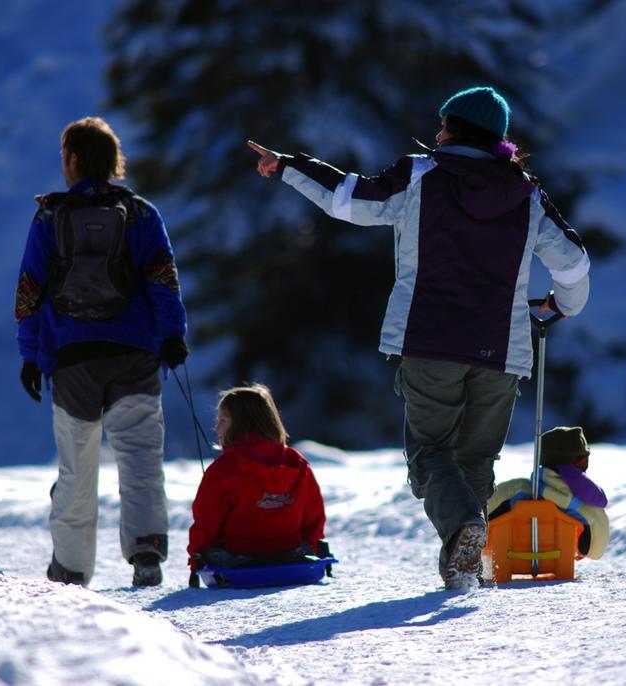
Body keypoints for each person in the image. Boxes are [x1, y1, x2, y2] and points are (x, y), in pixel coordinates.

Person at [247, 86, 590, 589]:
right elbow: (574, 262)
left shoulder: (419, 176)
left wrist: (287, 167)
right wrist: (560, 305)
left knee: (431, 456)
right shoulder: (526, 194)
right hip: (503, 349)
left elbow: (348, 200)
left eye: (443, 124)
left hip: (429, 340)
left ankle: (465, 532)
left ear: (457, 130)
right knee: (474, 459)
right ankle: (463, 562)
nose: (436, 134)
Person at [14, 116, 189, 587]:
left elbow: (30, 289)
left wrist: (31, 355)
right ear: (113, 162)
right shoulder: (141, 213)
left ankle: (70, 568)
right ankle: (146, 551)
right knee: (140, 457)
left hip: (73, 358)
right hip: (134, 353)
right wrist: (172, 334)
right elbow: (162, 278)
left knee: (77, 465)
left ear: (72, 160)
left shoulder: (50, 216)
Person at [187, 384, 326, 574]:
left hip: (238, 559)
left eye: (223, 420)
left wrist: (197, 559)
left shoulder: (223, 470)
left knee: (214, 552)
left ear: (243, 424)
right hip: (291, 554)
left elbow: (206, 523)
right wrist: (314, 550)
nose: (216, 427)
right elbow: (313, 517)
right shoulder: (296, 463)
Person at [487, 426, 610, 559]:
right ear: (579, 464)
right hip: (559, 558)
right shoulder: (587, 507)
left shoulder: (517, 489)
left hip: (509, 556)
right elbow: (596, 549)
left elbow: (486, 508)